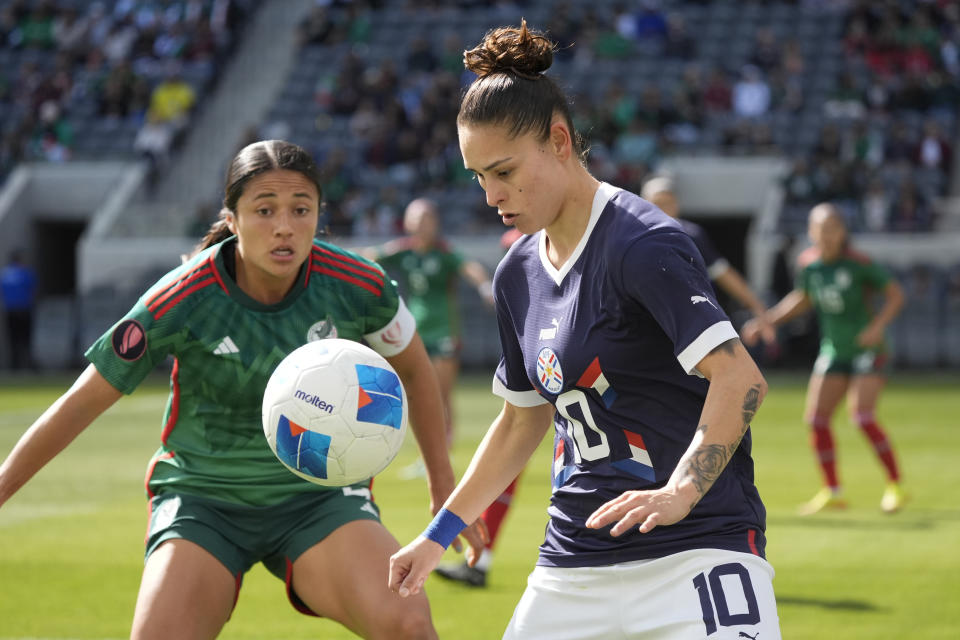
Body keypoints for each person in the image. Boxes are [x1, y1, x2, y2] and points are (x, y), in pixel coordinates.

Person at [389, 22, 781, 639]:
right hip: (570, 568)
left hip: (697, 554)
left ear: (561, 141)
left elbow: (740, 378)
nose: (492, 194)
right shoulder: (517, 271)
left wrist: (679, 492)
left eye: (504, 171)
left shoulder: (643, 245)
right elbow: (522, 419)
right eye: (478, 177)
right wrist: (438, 534)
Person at [0, 140, 483, 640]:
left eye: (301, 210)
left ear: (319, 215)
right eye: (264, 210)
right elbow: (81, 402)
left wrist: (442, 485)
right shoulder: (182, 296)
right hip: (203, 499)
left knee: (408, 623)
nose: (284, 227)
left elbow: (417, 371)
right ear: (231, 218)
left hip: (318, 500)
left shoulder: (358, 284)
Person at [742, 203, 906, 516]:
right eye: (821, 228)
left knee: (863, 416)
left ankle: (895, 486)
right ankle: (833, 491)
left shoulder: (859, 264)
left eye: (833, 228)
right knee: (816, 420)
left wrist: (876, 327)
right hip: (834, 350)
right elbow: (803, 298)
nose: (827, 235)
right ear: (811, 232)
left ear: (843, 232)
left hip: (867, 351)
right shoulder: (809, 265)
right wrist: (768, 321)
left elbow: (896, 294)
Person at [366, 197, 494, 454]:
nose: (422, 224)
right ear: (407, 223)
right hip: (416, 332)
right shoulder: (402, 251)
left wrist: (484, 287)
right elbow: (369, 257)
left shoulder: (444, 253)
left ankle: (443, 452)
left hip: (445, 330)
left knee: (441, 394)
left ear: (435, 223)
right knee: (417, 394)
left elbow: (470, 267)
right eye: (417, 219)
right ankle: (427, 453)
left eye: (427, 219)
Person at [641, 174, 777, 349]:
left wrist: (758, 308)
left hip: (690, 323)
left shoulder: (691, 235)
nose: (663, 210)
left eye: (668, 203)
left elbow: (723, 273)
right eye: (657, 203)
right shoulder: (631, 238)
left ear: (676, 204)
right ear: (643, 204)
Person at [1, 249, 37, 370]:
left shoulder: (4, 274)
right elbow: (33, 290)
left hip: (10, 311)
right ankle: (26, 365)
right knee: (25, 340)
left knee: (13, 340)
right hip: (24, 310)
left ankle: (14, 366)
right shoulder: (25, 273)